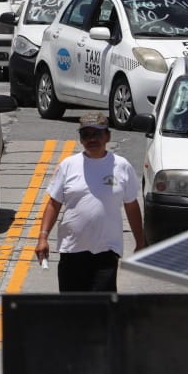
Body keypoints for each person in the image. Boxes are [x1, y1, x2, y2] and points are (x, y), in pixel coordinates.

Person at [35, 112, 146, 292]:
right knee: (74, 311)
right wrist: (43, 237)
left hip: (107, 252)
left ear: (107, 136)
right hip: (72, 251)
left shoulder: (121, 166)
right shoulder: (68, 165)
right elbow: (53, 204)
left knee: (102, 311)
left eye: (97, 134)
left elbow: (131, 206)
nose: (92, 139)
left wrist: (140, 243)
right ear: (80, 139)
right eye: (86, 134)